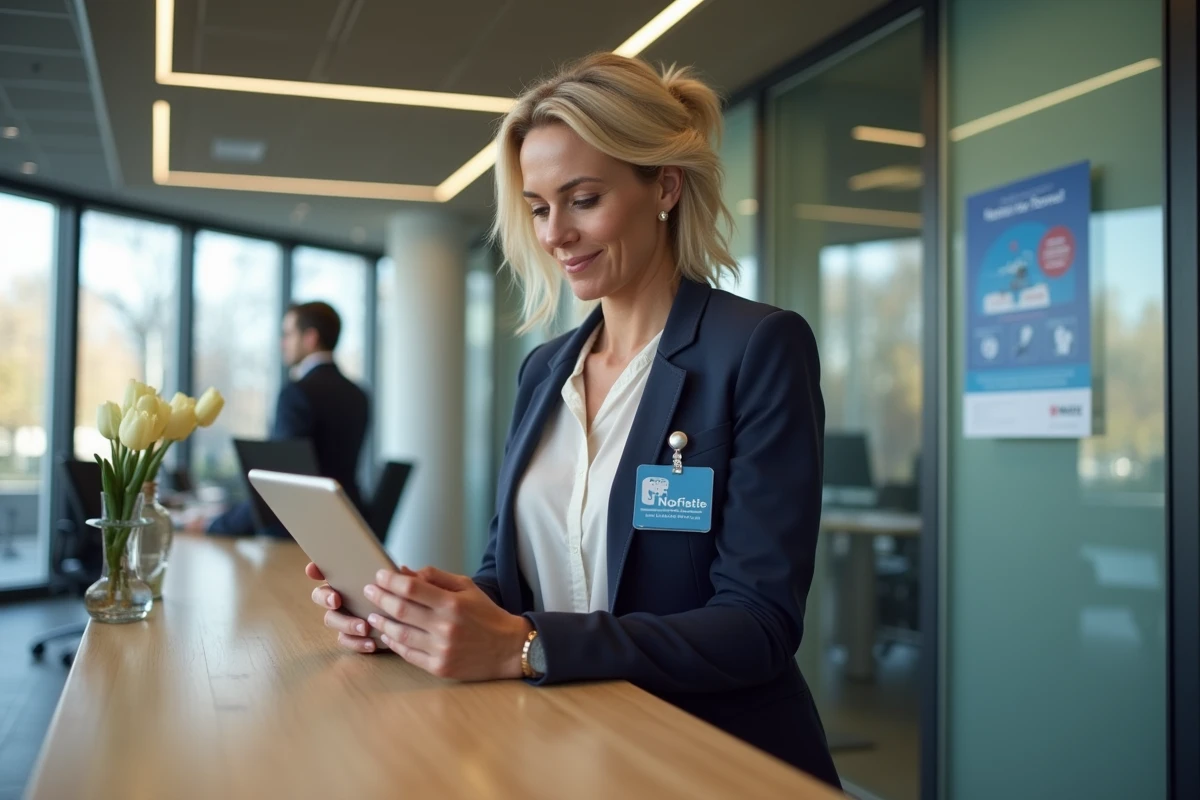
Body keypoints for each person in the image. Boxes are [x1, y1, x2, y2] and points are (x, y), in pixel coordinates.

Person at [306, 54, 840, 787]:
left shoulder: (756, 348)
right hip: (563, 747)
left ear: (665, 187)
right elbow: (512, 579)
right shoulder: (544, 370)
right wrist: (418, 615)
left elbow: (757, 625)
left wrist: (527, 646)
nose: (555, 234)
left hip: (709, 758)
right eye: (537, 207)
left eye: (582, 199)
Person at [200, 301, 370, 535]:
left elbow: (279, 484)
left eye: (288, 334)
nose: (283, 343)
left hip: (297, 533)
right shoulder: (359, 394)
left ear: (310, 338)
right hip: (349, 525)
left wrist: (215, 524)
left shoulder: (297, 393)